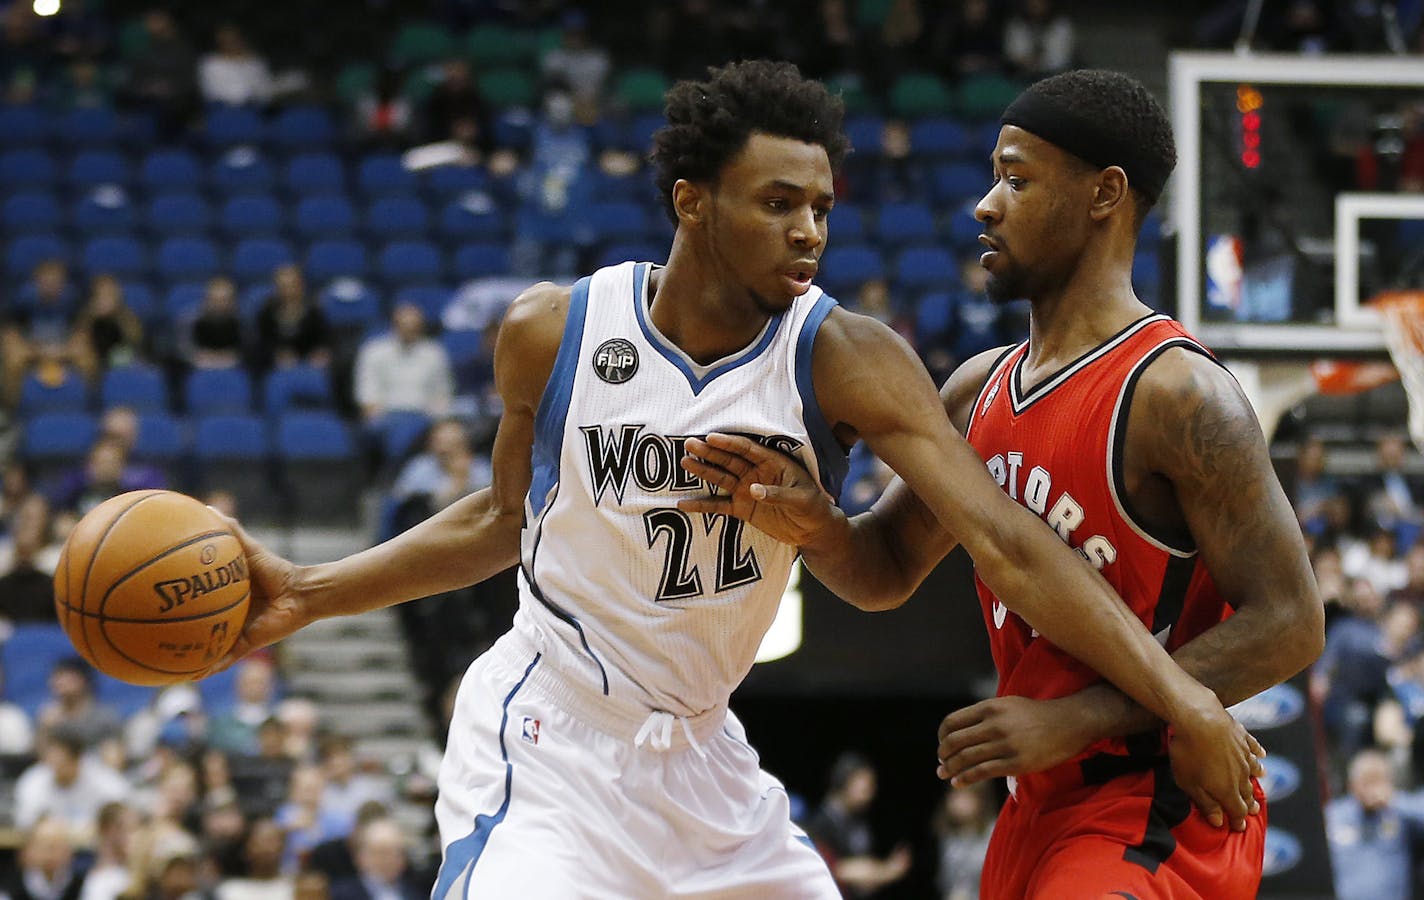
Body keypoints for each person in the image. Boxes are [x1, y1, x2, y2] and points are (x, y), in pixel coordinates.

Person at [204, 61, 1261, 898]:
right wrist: (308, 590)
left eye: (822, 207)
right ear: (692, 201)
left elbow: (1004, 542)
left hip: (704, 755)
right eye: (777, 202)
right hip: (552, 736)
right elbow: (498, 521)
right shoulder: (552, 330)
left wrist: (1185, 700)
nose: (808, 229)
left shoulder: (846, 357)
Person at [680, 69, 1323, 898]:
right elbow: (884, 571)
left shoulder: (1176, 394)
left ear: (1106, 194)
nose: (986, 205)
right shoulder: (976, 387)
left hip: (1157, 803)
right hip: (1036, 810)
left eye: (1017, 179)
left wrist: (1079, 720)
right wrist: (817, 525)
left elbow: (1293, 621)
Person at [804, 752, 911, 898]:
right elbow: (836, 869)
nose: (871, 789)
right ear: (844, 780)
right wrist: (887, 870)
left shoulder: (860, 821)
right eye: (864, 782)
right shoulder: (821, 823)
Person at [1326, 748, 1424, 900]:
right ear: (1352, 785)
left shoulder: (1400, 813)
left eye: (1378, 781)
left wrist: (1394, 800)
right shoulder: (1334, 816)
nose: (1372, 790)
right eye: (1367, 781)